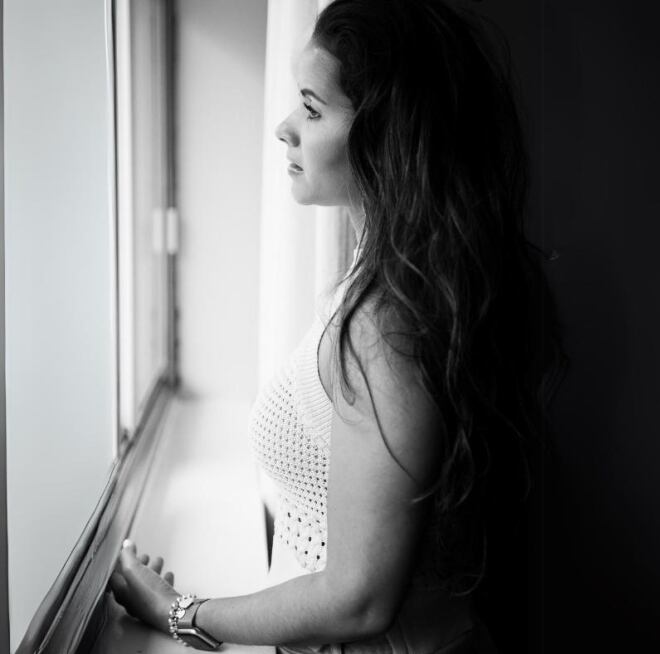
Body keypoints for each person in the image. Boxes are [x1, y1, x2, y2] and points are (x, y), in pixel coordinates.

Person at [109, 0, 566, 651]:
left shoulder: (388, 324)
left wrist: (179, 611)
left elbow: (358, 598)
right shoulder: (399, 282)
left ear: (388, 135)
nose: (284, 127)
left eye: (313, 109)